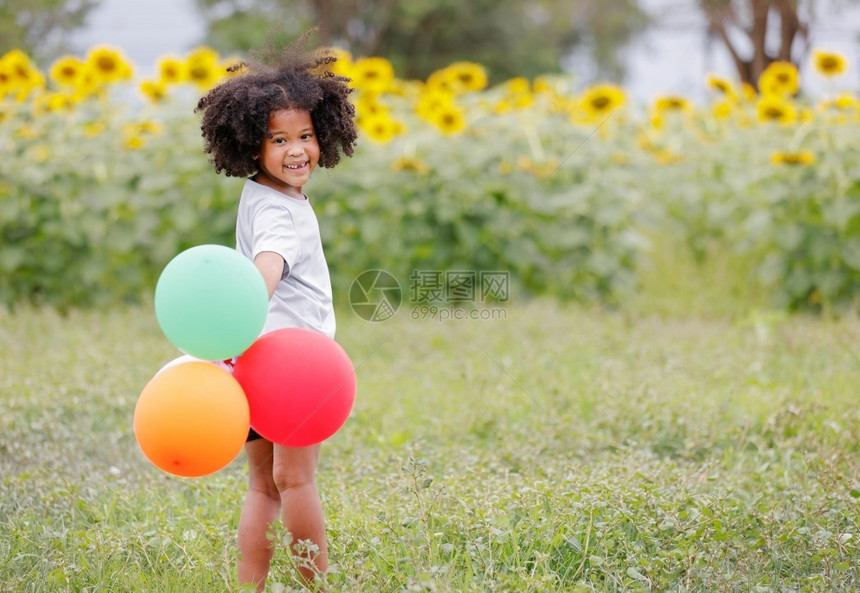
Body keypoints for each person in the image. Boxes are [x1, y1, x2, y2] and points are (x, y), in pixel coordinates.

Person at [195, 35, 358, 591]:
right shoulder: (281, 217)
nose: (298, 150)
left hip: (253, 361)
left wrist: (232, 338)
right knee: (298, 482)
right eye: (280, 139)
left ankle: (252, 586)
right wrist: (249, 304)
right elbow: (270, 262)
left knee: (263, 486)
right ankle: (316, 586)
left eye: (306, 136)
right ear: (251, 145)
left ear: (324, 135)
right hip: (296, 365)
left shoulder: (259, 193)